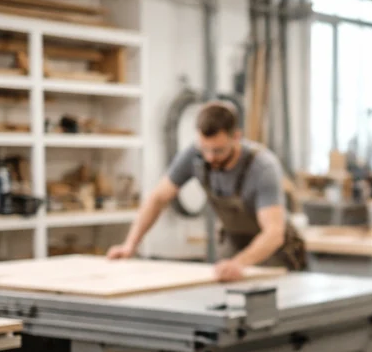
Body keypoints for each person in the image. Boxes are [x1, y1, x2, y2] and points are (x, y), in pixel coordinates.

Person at [107, 101, 306, 279]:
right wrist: (130, 245)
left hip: (272, 250)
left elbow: (273, 233)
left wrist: (239, 263)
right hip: (233, 240)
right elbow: (158, 199)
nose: (210, 157)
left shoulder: (262, 166)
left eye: (218, 150)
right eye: (205, 149)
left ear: (236, 136)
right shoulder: (194, 155)